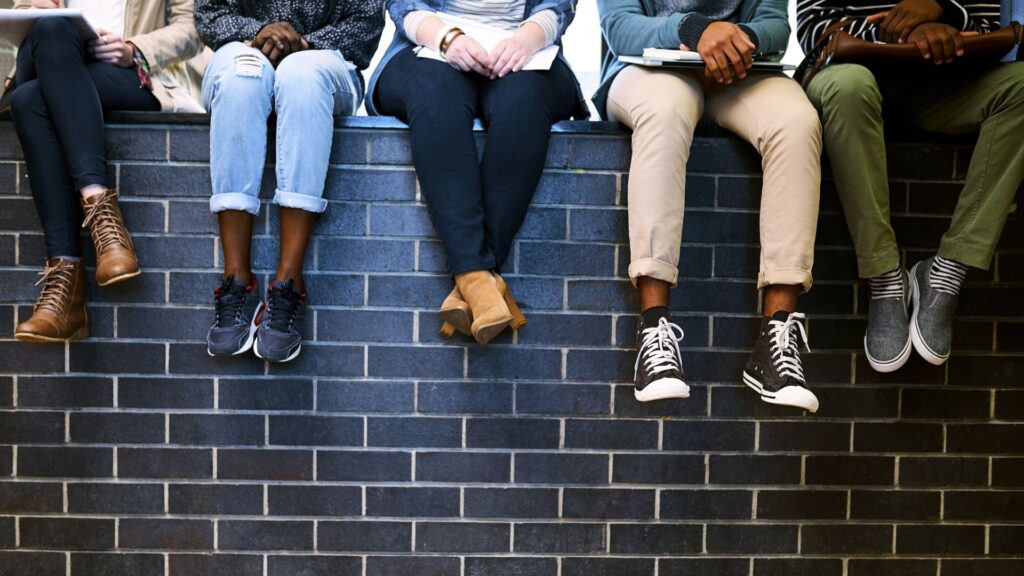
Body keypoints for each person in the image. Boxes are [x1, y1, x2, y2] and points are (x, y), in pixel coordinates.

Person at [595, 0, 823, 411]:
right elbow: (620, 26)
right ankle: (653, 332)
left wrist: (737, 42)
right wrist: (695, 30)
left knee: (797, 123)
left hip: (738, 72)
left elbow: (775, 26)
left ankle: (777, 338)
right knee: (664, 111)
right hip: (647, 68)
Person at [798, 0, 1024, 372]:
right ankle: (885, 280)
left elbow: (987, 25)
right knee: (849, 86)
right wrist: (908, 33)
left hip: (943, 84)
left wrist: (943, 12)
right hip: (853, 75)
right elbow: (813, 29)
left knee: (1021, 85)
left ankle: (945, 273)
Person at [368, 0, 589, 344]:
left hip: (525, 49)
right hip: (428, 46)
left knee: (524, 102)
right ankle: (480, 280)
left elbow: (558, 6)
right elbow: (402, 3)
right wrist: (447, 38)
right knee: (435, 93)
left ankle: (473, 283)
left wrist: (524, 42)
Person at [195, 0, 383, 362]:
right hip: (244, 51)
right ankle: (237, 283)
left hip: (327, 61)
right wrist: (257, 36)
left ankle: (288, 284)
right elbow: (208, 12)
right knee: (242, 77)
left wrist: (303, 44)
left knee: (300, 75)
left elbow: (366, 23)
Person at [10, 0, 204, 342]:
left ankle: (65, 293)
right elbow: (20, 11)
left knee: (29, 100)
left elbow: (192, 28)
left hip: (126, 73)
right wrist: (33, 7)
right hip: (50, 53)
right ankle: (104, 221)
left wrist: (135, 49)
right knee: (53, 29)